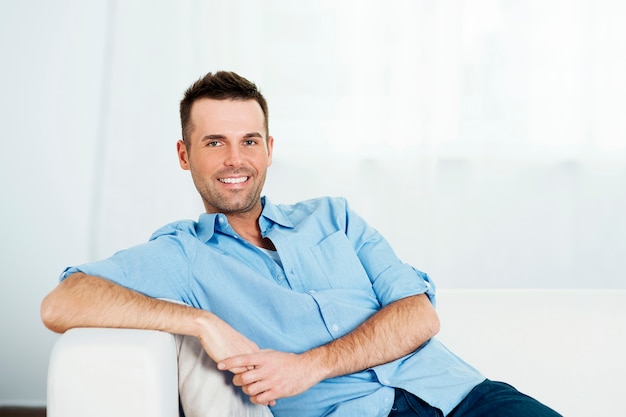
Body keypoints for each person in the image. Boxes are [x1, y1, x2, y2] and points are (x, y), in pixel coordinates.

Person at [41, 71, 561, 417]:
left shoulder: (333, 217)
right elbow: (62, 302)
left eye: (249, 141)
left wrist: (306, 367)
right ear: (184, 154)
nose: (234, 160)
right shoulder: (182, 254)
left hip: (464, 396)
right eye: (214, 142)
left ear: (269, 150)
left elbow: (419, 316)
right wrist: (201, 322)